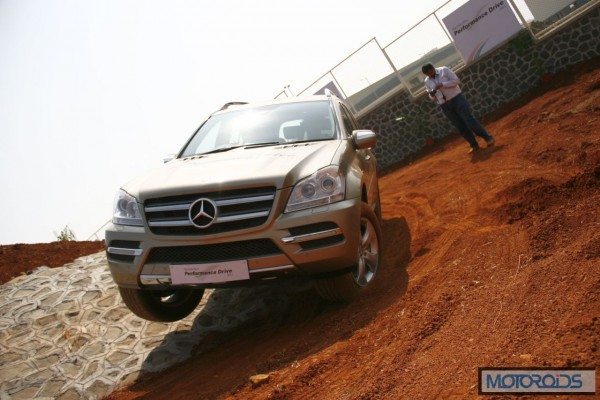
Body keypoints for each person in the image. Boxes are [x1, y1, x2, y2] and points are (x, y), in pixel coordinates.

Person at [422, 63, 495, 153]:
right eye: (428, 75)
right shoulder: (427, 81)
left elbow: (456, 81)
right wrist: (432, 95)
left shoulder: (444, 70)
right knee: (459, 126)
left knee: (469, 120)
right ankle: (474, 145)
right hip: (444, 105)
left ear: (433, 68)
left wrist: (443, 84)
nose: (430, 75)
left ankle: (487, 138)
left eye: (431, 73)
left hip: (457, 99)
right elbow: (431, 96)